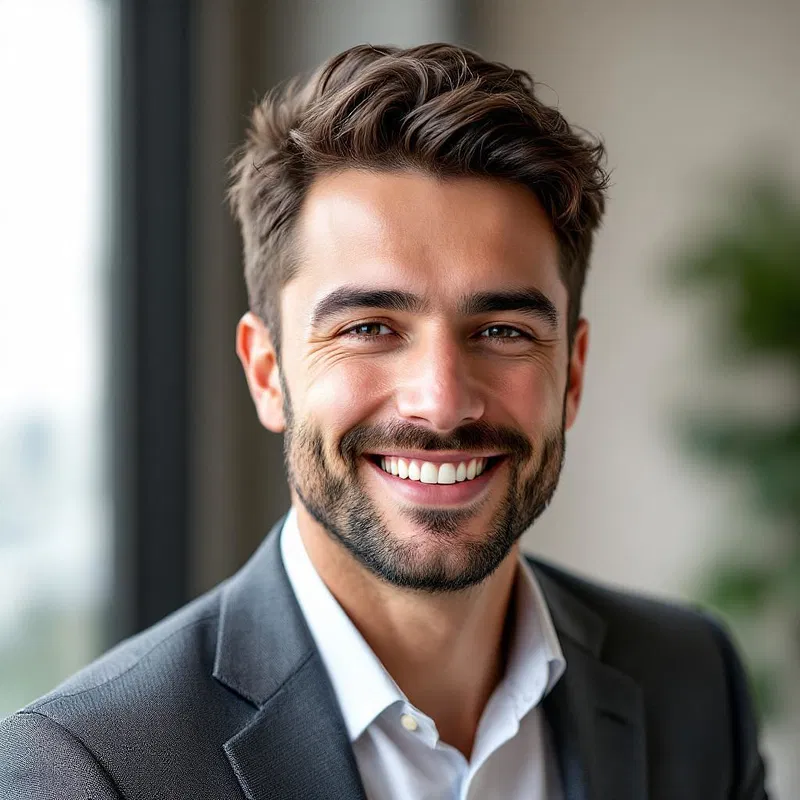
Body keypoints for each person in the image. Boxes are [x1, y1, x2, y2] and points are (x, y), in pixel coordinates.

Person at [1, 43, 768, 800]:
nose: (440, 401)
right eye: (369, 327)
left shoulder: (691, 684)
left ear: (570, 372)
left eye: (502, 330)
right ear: (267, 372)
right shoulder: (90, 771)